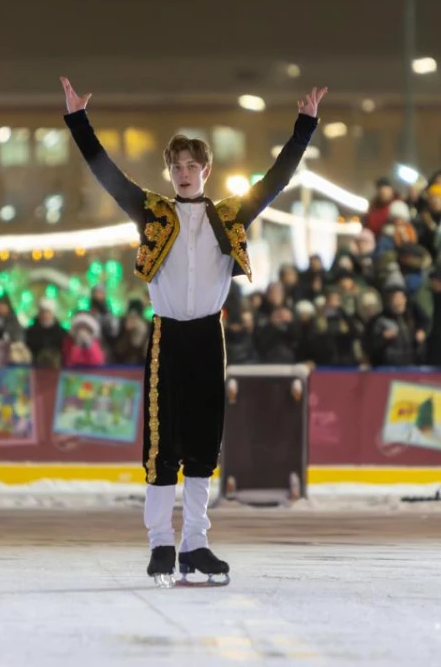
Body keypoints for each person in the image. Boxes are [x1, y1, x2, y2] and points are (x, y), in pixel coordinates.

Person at [61, 76, 325, 585]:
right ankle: (161, 543)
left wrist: (304, 127)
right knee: (162, 445)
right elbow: (105, 173)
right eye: (175, 166)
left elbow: (278, 178)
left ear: (206, 170)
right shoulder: (153, 213)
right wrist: (78, 120)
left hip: (208, 337)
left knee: (204, 444)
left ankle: (195, 543)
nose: (182, 173)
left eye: (191, 166)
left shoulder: (230, 215)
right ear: (169, 171)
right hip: (167, 338)